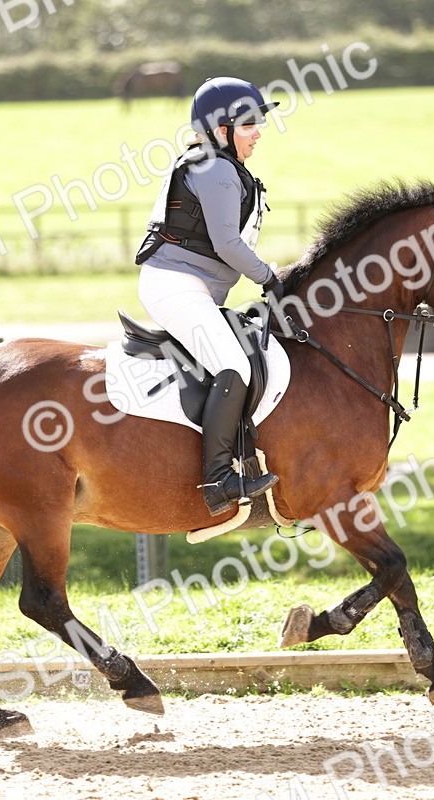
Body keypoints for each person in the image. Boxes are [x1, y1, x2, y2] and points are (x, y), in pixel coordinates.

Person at [134, 77, 286, 516]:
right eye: (249, 124)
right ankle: (218, 479)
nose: (259, 131)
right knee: (234, 363)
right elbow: (226, 244)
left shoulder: (221, 165)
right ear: (222, 130)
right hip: (175, 286)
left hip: (193, 286)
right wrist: (270, 278)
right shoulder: (216, 168)